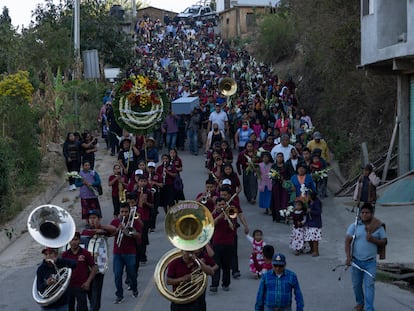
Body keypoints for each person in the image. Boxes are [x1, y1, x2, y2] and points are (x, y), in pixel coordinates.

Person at [345, 203, 387, 311]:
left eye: (367, 212)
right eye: (362, 212)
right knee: (356, 285)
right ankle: (360, 302)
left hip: (370, 263)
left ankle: (369, 308)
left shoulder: (378, 226)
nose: (364, 215)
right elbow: (347, 242)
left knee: (369, 285)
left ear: (372, 214)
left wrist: (373, 240)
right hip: (356, 261)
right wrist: (348, 257)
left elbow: (384, 242)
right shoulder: (354, 226)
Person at [81, 210, 116, 311]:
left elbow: (114, 230)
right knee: (89, 292)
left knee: (96, 293)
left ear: (99, 219)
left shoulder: (103, 231)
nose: (92, 220)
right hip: (86, 268)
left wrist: (100, 227)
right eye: (90, 218)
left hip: (98, 268)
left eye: (94, 218)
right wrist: (94, 231)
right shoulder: (85, 232)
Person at [110, 203, 142, 303]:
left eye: (126, 212)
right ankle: (119, 295)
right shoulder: (115, 222)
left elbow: (139, 236)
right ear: (119, 212)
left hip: (130, 252)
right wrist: (118, 230)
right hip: (117, 252)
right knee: (117, 274)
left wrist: (128, 231)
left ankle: (134, 288)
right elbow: (110, 234)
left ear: (129, 212)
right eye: (122, 212)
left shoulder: (134, 222)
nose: (124, 214)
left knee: (132, 273)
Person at [61, 232, 98, 311]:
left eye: (76, 239)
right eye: (72, 240)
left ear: (79, 240)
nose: (74, 242)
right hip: (68, 286)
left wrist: (88, 282)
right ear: (69, 241)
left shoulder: (85, 253)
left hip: (81, 286)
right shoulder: (64, 255)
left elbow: (94, 267)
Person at [304, 192, 322, 257]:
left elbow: (318, 212)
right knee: (309, 238)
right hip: (309, 222)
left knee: (314, 238)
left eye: (307, 195)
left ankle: (316, 251)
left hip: (315, 223)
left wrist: (311, 211)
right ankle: (312, 250)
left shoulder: (317, 202)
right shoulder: (309, 202)